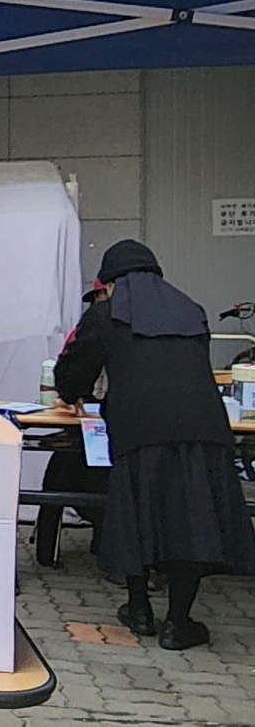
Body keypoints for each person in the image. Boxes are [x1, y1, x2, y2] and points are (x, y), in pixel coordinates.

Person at [55, 239, 255, 650]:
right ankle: (178, 622)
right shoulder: (191, 311)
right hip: (204, 431)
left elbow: (74, 367)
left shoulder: (106, 313)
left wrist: (71, 393)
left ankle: (139, 610)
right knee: (192, 523)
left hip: (140, 432)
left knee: (137, 517)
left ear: (111, 283)